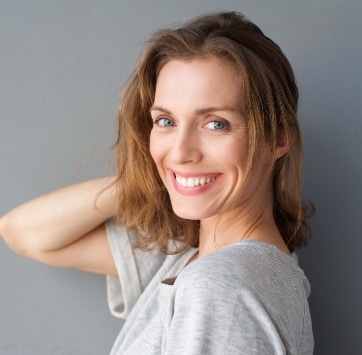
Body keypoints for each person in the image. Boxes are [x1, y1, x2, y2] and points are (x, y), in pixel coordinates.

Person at [0, 11, 314, 354]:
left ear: (280, 138)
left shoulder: (220, 288)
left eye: (216, 124)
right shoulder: (188, 258)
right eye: (165, 121)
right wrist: (149, 177)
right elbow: (22, 233)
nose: (180, 152)